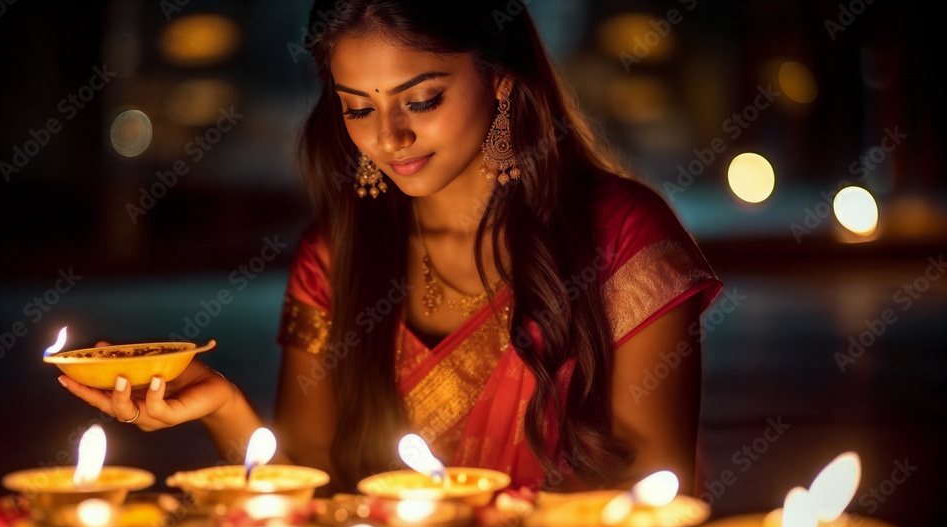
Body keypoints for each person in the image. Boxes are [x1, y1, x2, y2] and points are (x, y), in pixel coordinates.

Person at [60, 0, 722, 496]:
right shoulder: (338, 255)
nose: (391, 136)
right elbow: (309, 496)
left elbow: (660, 494)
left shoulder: (621, 234)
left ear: (501, 78)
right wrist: (223, 404)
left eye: (422, 98)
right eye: (358, 107)